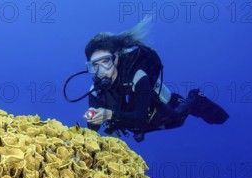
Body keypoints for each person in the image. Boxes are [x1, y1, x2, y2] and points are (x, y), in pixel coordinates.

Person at [80, 17, 229, 142]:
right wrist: (92, 118)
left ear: (116, 58)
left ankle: (194, 98)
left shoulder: (138, 77)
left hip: (158, 110)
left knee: (177, 119)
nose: (101, 71)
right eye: (95, 65)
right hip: (134, 122)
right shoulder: (95, 90)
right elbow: (93, 129)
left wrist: (110, 115)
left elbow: (140, 117)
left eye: (106, 62)